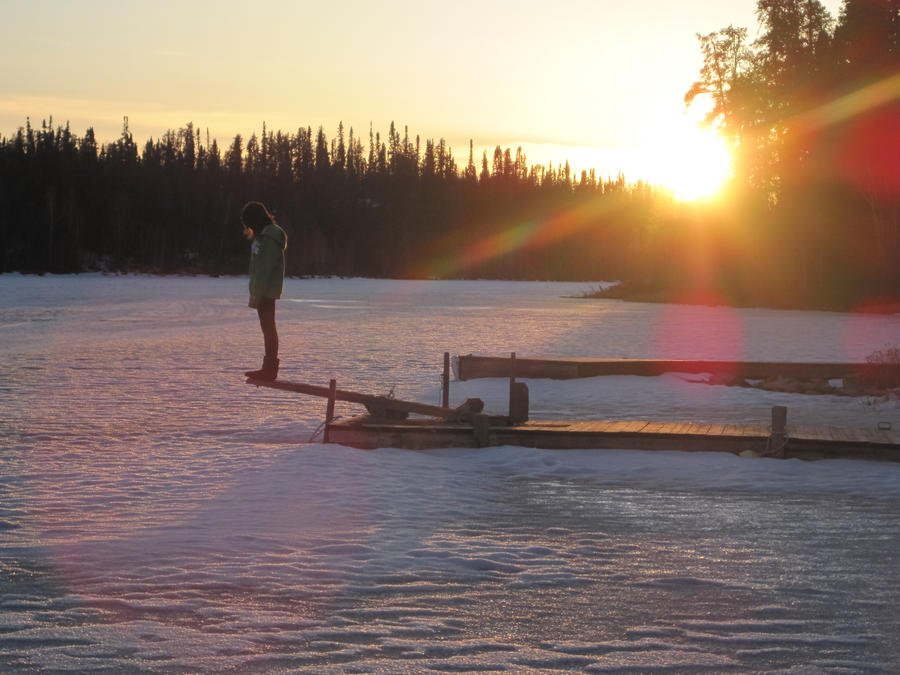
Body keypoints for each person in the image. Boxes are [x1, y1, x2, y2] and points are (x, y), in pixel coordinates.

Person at [241, 201, 287, 380]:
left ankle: (269, 370)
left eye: (249, 223)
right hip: (264, 290)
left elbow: (264, 269)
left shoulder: (268, 238)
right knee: (268, 329)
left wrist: (256, 295)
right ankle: (268, 368)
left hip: (265, 291)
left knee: (269, 329)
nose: (248, 228)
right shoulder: (264, 236)